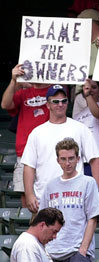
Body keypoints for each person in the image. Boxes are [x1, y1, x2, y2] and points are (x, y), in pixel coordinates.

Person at [39, 138, 99, 262]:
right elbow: (42, 221)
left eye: (71, 158)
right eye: (63, 159)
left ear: (78, 158)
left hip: (77, 251)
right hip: (53, 253)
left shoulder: (88, 182)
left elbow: (93, 218)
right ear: (58, 160)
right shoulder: (50, 186)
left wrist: (83, 250)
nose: (67, 163)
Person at [21, 84, 99, 213]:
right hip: (44, 199)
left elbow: (95, 159)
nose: (60, 104)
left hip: (74, 200)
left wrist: (94, 190)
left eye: (64, 101)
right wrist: (29, 194)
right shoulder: (37, 132)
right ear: (48, 104)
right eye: (55, 101)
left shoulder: (80, 128)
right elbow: (29, 166)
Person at [1, 64, 50, 206]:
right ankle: (30, 228)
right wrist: (13, 81)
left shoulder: (54, 91)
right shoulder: (23, 93)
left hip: (48, 151)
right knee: (26, 199)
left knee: (49, 195)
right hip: (25, 152)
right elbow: (5, 104)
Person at [73, 78, 99, 193]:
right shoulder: (78, 116)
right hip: (81, 163)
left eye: (94, 87)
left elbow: (97, 113)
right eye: (87, 87)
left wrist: (88, 95)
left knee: (92, 198)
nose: (91, 90)